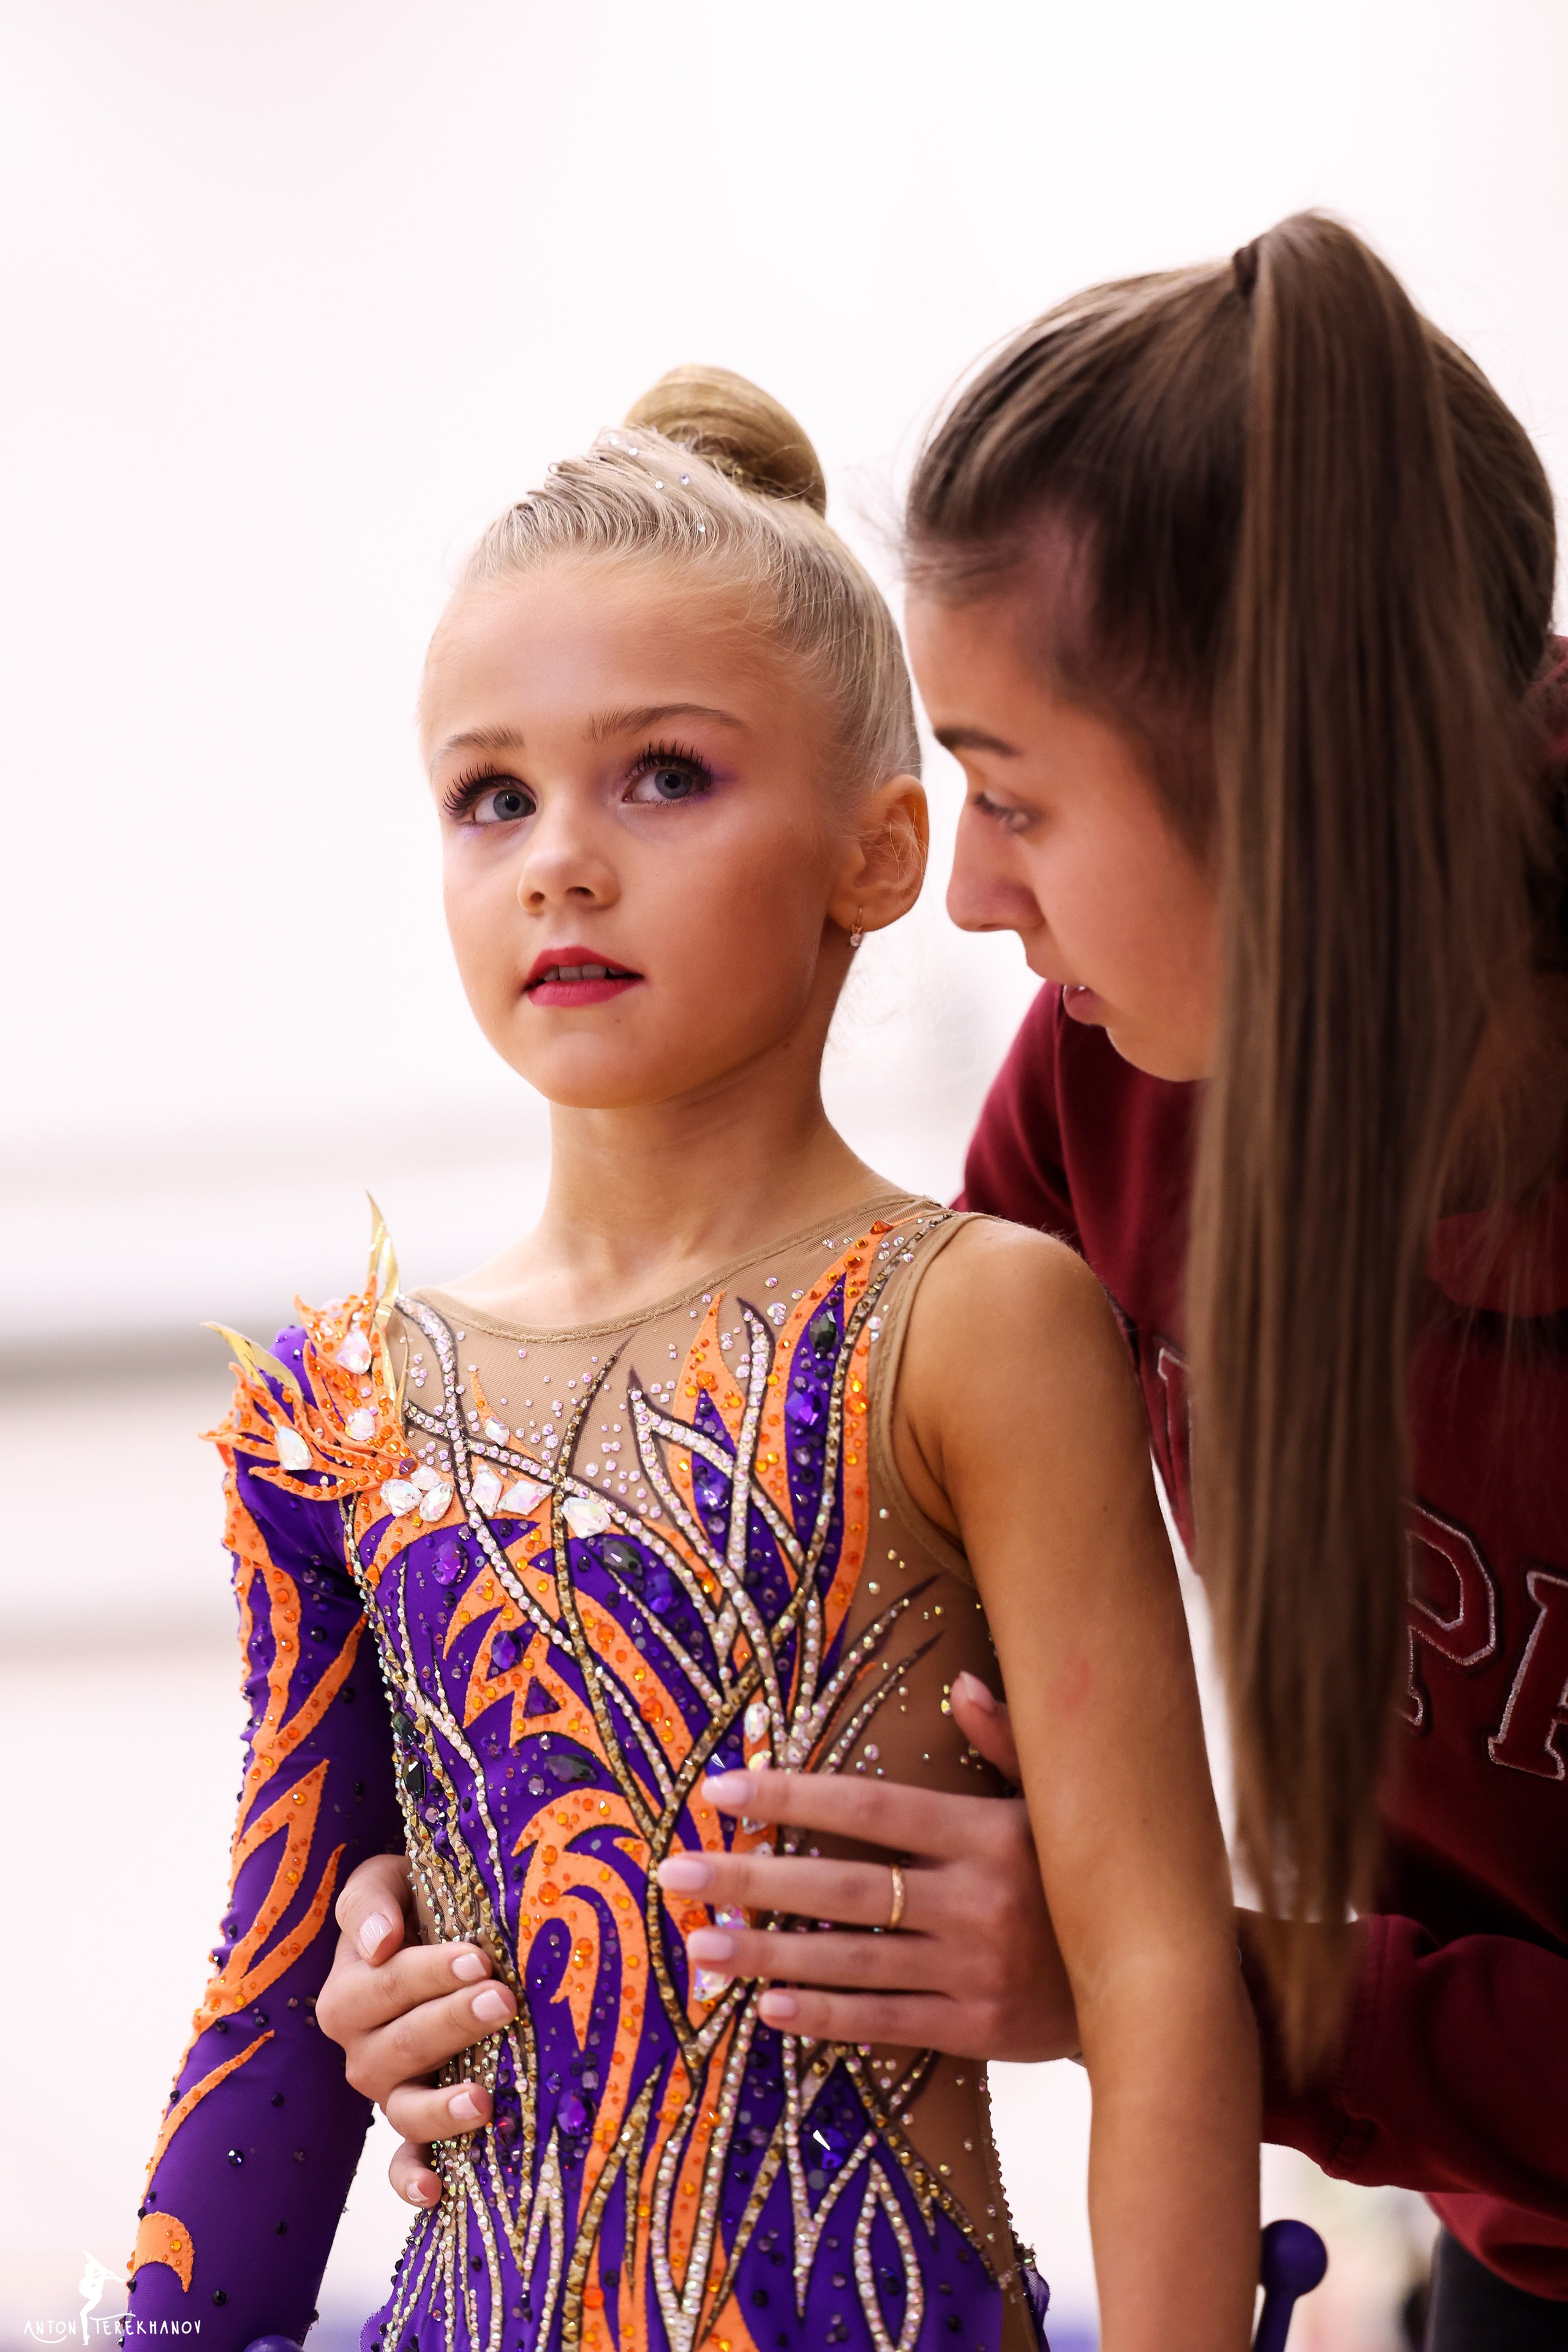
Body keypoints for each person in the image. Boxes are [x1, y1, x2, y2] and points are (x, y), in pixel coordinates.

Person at [325, 219, 1568, 2350]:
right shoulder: (1103, 1098)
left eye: (1015, 800)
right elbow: (892, 1700)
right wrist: (462, 1906)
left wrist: (1217, 1983)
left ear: (1301, 794)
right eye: (490, 799)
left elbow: (1142, 1951)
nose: (975, 896)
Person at [127, 368, 1259, 2352]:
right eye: (494, 796)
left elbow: (1160, 1973)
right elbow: (270, 2041)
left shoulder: (974, 1316)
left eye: (663, 776)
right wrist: (360, 1991)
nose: (561, 858)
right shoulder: (352, 1408)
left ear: (878, 852)